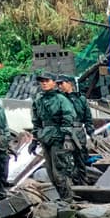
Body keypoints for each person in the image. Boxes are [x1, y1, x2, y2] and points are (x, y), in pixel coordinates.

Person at [32, 72, 77, 202]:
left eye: (47, 80)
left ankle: (67, 198)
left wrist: (67, 137)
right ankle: (62, 197)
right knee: (50, 171)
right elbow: (36, 120)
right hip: (45, 137)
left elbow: (68, 117)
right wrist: (35, 139)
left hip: (59, 136)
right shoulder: (39, 100)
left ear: (53, 82)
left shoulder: (61, 99)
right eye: (42, 81)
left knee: (60, 171)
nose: (44, 83)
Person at [57, 74, 92, 183]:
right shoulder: (59, 99)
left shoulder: (81, 99)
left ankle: (83, 183)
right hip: (65, 132)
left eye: (61, 83)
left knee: (81, 158)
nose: (59, 86)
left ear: (69, 83)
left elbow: (88, 118)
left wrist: (91, 133)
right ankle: (70, 184)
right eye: (58, 84)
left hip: (79, 131)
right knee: (66, 159)